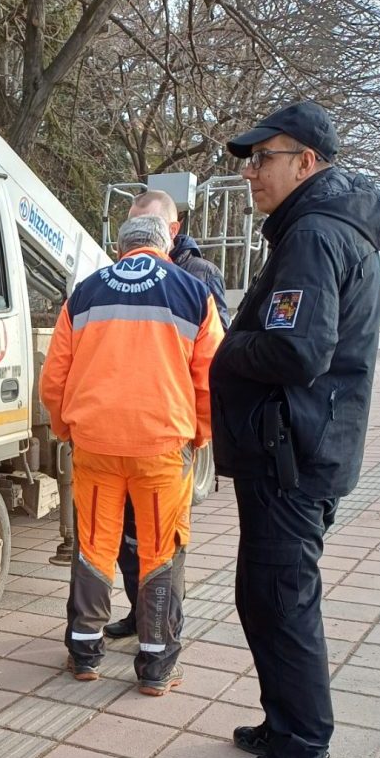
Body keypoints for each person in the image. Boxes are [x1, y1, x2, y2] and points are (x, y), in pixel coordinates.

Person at [211, 100, 380, 758]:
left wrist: (228, 348)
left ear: (306, 163)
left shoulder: (314, 234)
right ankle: (284, 723)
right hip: (298, 445)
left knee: (281, 600)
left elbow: (297, 346)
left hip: (294, 454)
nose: (252, 171)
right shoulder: (316, 227)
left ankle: (301, 756)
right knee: (263, 595)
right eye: (251, 159)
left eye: (265, 157)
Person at [39, 212, 223, 692]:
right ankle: (157, 667)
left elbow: (53, 378)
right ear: (167, 243)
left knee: (96, 544)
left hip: (95, 443)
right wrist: (200, 435)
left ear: (122, 248)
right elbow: (212, 380)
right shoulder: (191, 292)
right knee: (161, 550)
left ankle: (84, 652)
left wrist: (66, 428)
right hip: (161, 446)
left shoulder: (84, 293)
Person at [105, 189, 231, 639]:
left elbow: (215, 358)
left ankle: (162, 625)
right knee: (124, 538)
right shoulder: (118, 276)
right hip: (122, 433)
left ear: (172, 229)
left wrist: (199, 432)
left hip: (170, 435)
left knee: (164, 542)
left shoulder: (199, 277)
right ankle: (138, 611)